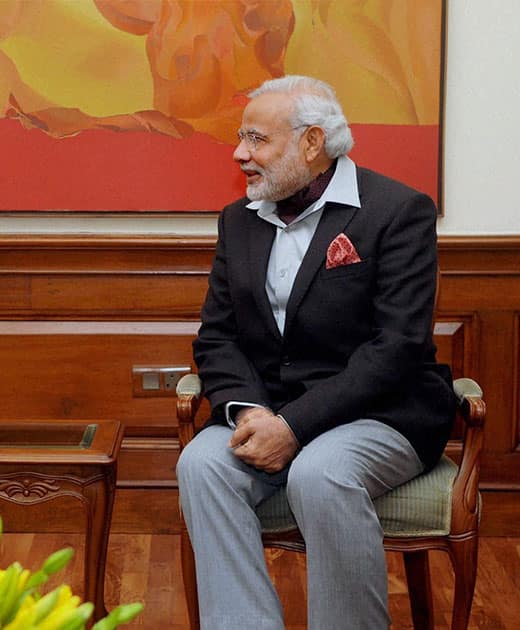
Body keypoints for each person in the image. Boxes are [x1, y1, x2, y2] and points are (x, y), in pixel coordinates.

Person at [176, 75, 456, 629]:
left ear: (312, 143)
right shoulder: (239, 221)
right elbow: (218, 336)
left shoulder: (398, 212)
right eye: (240, 138)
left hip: (382, 412)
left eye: (257, 140)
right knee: (201, 464)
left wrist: (295, 427)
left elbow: (396, 348)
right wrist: (253, 413)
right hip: (271, 407)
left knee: (320, 473)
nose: (240, 154)